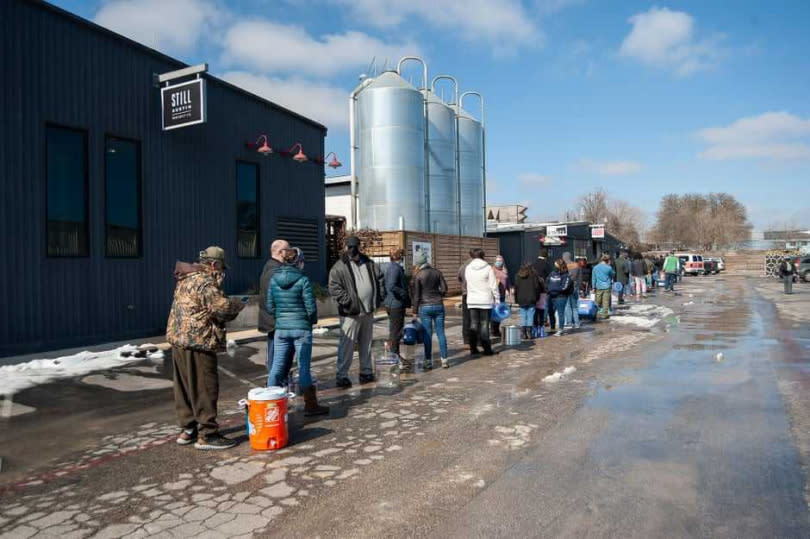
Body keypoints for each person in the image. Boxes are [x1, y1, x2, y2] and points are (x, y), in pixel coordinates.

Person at [166, 246, 245, 450]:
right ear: (213, 264)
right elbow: (222, 308)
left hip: (179, 340)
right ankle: (208, 434)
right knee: (205, 387)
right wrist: (238, 304)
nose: (222, 271)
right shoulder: (205, 282)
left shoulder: (186, 278)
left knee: (184, 387)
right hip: (199, 341)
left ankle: (188, 429)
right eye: (220, 267)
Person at [267, 248, 328, 416]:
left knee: (277, 367)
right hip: (301, 329)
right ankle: (310, 406)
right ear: (298, 261)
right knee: (304, 368)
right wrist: (310, 322)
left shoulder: (274, 280)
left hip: (281, 329)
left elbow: (270, 306)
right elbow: (310, 307)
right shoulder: (303, 280)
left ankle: (270, 404)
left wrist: (280, 318)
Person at [328, 236, 386, 388]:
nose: (352, 249)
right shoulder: (339, 266)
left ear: (359, 246)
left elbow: (380, 279)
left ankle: (366, 372)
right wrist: (348, 301)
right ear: (346, 247)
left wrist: (379, 297)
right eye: (349, 247)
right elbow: (334, 287)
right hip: (350, 313)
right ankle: (342, 375)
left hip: (367, 311)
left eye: (354, 246)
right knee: (347, 345)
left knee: (366, 344)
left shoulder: (369, 263)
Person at [259, 239, 294, 386]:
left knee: (282, 360)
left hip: (279, 322)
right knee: (278, 361)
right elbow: (274, 300)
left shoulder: (275, 268)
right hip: (277, 324)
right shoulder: (274, 271)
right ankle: (275, 390)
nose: (291, 252)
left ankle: (280, 386)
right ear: (280, 252)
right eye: (288, 249)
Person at [411, 251, 449, 368]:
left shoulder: (418, 275)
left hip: (424, 306)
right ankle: (444, 360)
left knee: (427, 334)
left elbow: (416, 295)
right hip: (438, 304)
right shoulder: (437, 272)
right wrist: (438, 294)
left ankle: (428, 361)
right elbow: (444, 289)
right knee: (441, 333)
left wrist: (415, 311)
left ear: (418, 263)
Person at [465, 249, 499, 356]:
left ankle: (473, 349)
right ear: (483, 256)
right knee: (484, 325)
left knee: (473, 324)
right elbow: (493, 286)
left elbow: (467, 282)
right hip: (485, 301)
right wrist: (497, 299)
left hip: (472, 300)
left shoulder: (468, 268)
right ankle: (487, 349)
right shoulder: (488, 268)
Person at [384, 248, 409, 356]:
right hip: (396, 304)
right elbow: (391, 286)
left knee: (393, 329)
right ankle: (395, 354)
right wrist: (403, 293)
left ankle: (393, 351)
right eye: (402, 256)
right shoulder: (395, 268)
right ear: (399, 257)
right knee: (396, 331)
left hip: (391, 303)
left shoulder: (390, 267)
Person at [514, 263, 541, 340]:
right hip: (531, 299)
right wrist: (537, 297)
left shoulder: (518, 276)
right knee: (530, 316)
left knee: (523, 315)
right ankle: (529, 333)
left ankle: (523, 333)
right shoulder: (534, 276)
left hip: (521, 298)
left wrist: (516, 299)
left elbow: (516, 288)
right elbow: (537, 288)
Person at [547, 259, 573, 335]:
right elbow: (547, 281)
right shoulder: (552, 273)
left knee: (560, 313)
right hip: (551, 296)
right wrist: (548, 289)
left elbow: (565, 287)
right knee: (550, 312)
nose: (555, 266)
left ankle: (560, 329)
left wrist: (554, 289)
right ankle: (552, 327)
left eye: (556, 265)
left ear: (560, 265)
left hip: (561, 297)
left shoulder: (566, 275)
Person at [531, 248, 554, 331]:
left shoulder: (534, 264)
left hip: (534, 289)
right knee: (543, 306)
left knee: (535, 307)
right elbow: (550, 275)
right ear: (546, 256)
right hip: (544, 288)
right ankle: (543, 322)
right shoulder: (546, 264)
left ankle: (535, 324)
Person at [490, 255, 510, 340]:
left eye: (500, 260)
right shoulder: (492, 270)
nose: (499, 262)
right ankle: (493, 330)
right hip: (494, 295)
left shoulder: (504, 270)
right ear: (494, 261)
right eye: (497, 260)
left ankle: (497, 329)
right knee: (494, 313)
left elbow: (507, 281)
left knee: (499, 313)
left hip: (502, 294)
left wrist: (509, 289)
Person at [458, 250, 475, 345]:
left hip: (465, 294)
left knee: (466, 318)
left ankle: (467, 339)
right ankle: (478, 340)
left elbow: (459, 277)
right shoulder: (480, 265)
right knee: (476, 318)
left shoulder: (464, 265)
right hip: (476, 294)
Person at [591, 254, 615, 319]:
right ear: (608, 260)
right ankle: (604, 315)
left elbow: (593, 278)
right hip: (607, 286)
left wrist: (593, 287)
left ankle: (594, 314)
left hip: (598, 286)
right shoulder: (609, 268)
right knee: (606, 301)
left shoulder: (595, 268)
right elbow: (613, 274)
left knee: (597, 302)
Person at [562, 252, 581, 331]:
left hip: (566, 288)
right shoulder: (576, 265)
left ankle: (569, 322)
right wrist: (579, 286)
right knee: (575, 306)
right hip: (574, 287)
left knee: (567, 306)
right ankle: (576, 323)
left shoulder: (563, 266)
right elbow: (580, 277)